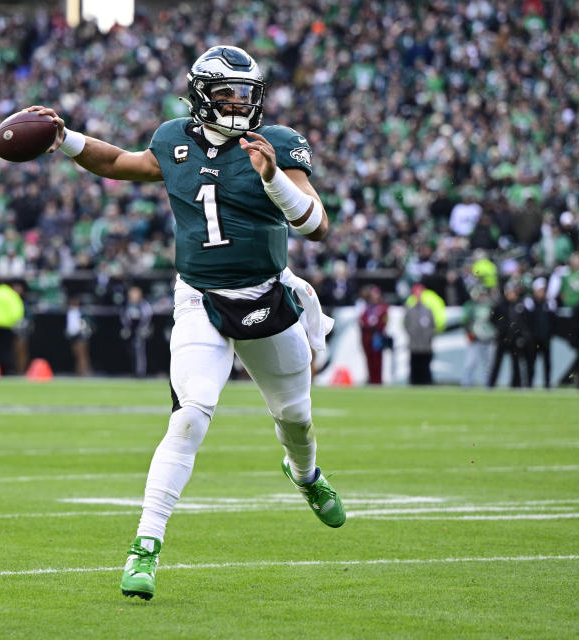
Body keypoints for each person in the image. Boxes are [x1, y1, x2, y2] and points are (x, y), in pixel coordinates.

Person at [28, 45, 343, 601]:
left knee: (295, 418)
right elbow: (119, 164)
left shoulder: (280, 144)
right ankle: (145, 546)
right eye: (226, 92)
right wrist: (66, 140)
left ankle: (306, 475)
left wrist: (273, 179)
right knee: (190, 415)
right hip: (200, 299)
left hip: (267, 296)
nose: (238, 103)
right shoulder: (173, 138)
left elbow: (317, 224)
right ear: (201, 94)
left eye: (246, 93)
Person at [488, 282, 531, 387]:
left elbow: (524, 322)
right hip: (502, 338)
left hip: (515, 338)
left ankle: (516, 384)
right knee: (497, 363)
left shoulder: (520, 305)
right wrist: (500, 329)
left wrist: (521, 335)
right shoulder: (500, 305)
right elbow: (492, 319)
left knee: (516, 363)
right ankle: (491, 384)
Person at [461, 285, 496, 387]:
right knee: (470, 362)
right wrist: (470, 333)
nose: (482, 297)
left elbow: (496, 322)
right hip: (475, 339)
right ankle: (466, 383)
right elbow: (465, 321)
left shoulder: (491, 306)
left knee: (488, 365)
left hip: (488, 339)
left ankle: (487, 384)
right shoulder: (471, 306)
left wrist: (493, 334)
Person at [525, 277, 555, 389]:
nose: (542, 292)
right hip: (533, 338)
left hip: (545, 337)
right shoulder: (529, 303)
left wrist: (550, 333)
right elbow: (526, 321)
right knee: (531, 362)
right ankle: (529, 383)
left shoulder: (549, 303)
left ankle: (547, 383)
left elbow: (553, 321)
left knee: (547, 363)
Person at [404, 284, 435, 385]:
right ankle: (414, 381)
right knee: (414, 363)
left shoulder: (428, 310)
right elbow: (405, 324)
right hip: (414, 342)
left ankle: (426, 381)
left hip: (425, 342)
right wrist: (410, 334)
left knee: (425, 363)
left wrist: (429, 335)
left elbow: (432, 325)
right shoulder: (410, 310)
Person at [120, 285, 154, 377]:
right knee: (129, 351)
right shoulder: (127, 304)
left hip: (140, 330)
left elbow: (147, 316)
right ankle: (129, 370)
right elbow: (124, 316)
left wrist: (143, 328)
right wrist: (126, 327)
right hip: (130, 331)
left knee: (140, 351)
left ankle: (140, 372)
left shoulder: (144, 304)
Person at [358, 285, 388, 384]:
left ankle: (377, 379)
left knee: (377, 359)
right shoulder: (367, 307)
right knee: (369, 358)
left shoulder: (383, 307)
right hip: (367, 335)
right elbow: (362, 319)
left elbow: (384, 321)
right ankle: (371, 378)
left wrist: (375, 326)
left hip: (377, 335)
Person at [64, 296, 92, 376]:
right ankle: (79, 372)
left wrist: (83, 331)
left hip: (81, 336)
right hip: (73, 337)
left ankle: (85, 372)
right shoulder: (69, 313)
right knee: (76, 355)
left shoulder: (82, 313)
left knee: (82, 355)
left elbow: (87, 325)